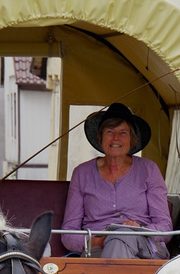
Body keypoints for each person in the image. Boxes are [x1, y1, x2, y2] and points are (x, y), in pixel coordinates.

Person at [61, 102, 173, 258]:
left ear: (132, 140)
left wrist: (139, 228)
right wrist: (97, 241)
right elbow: (68, 234)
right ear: (100, 137)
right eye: (110, 131)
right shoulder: (82, 173)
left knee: (122, 235)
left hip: (145, 249)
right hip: (96, 249)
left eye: (123, 133)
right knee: (117, 241)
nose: (116, 138)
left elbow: (165, 228)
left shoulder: (149, 170)